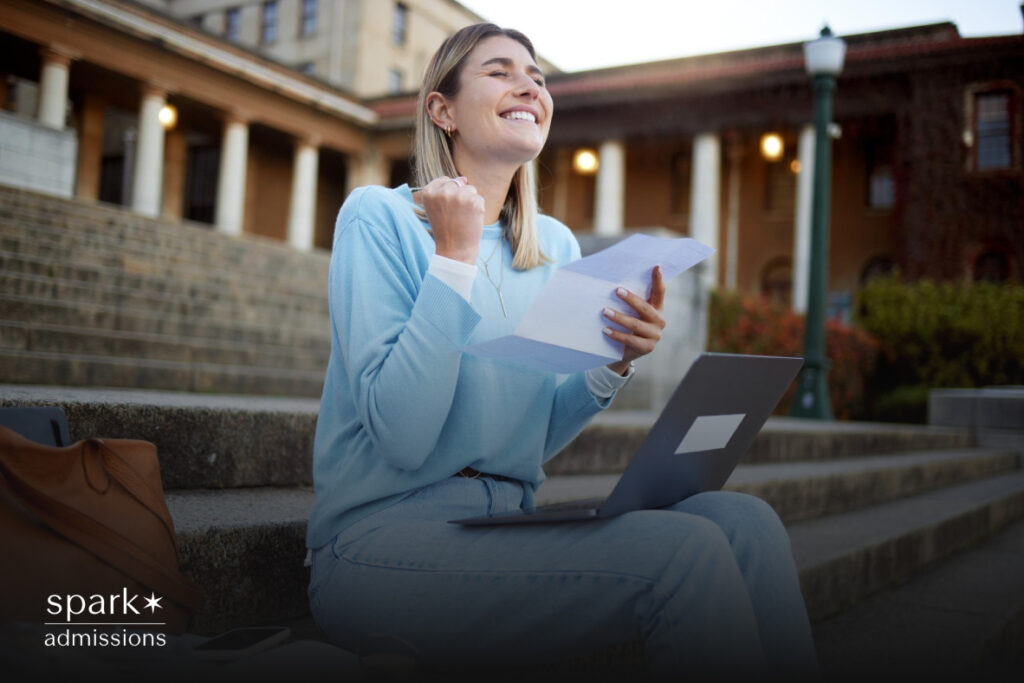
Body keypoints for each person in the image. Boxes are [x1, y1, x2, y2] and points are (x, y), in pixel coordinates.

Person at [306, 22, 818, 680]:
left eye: (539, 76)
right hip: (378, 547)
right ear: (442, 110)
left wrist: (613, 364)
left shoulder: (555, 249)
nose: (530, 84)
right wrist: (453, 259)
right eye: (500, 71)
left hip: (501, 527)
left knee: (746, 520)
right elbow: (403, 437)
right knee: (682, 555)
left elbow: (530, 436)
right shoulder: (377, 218)